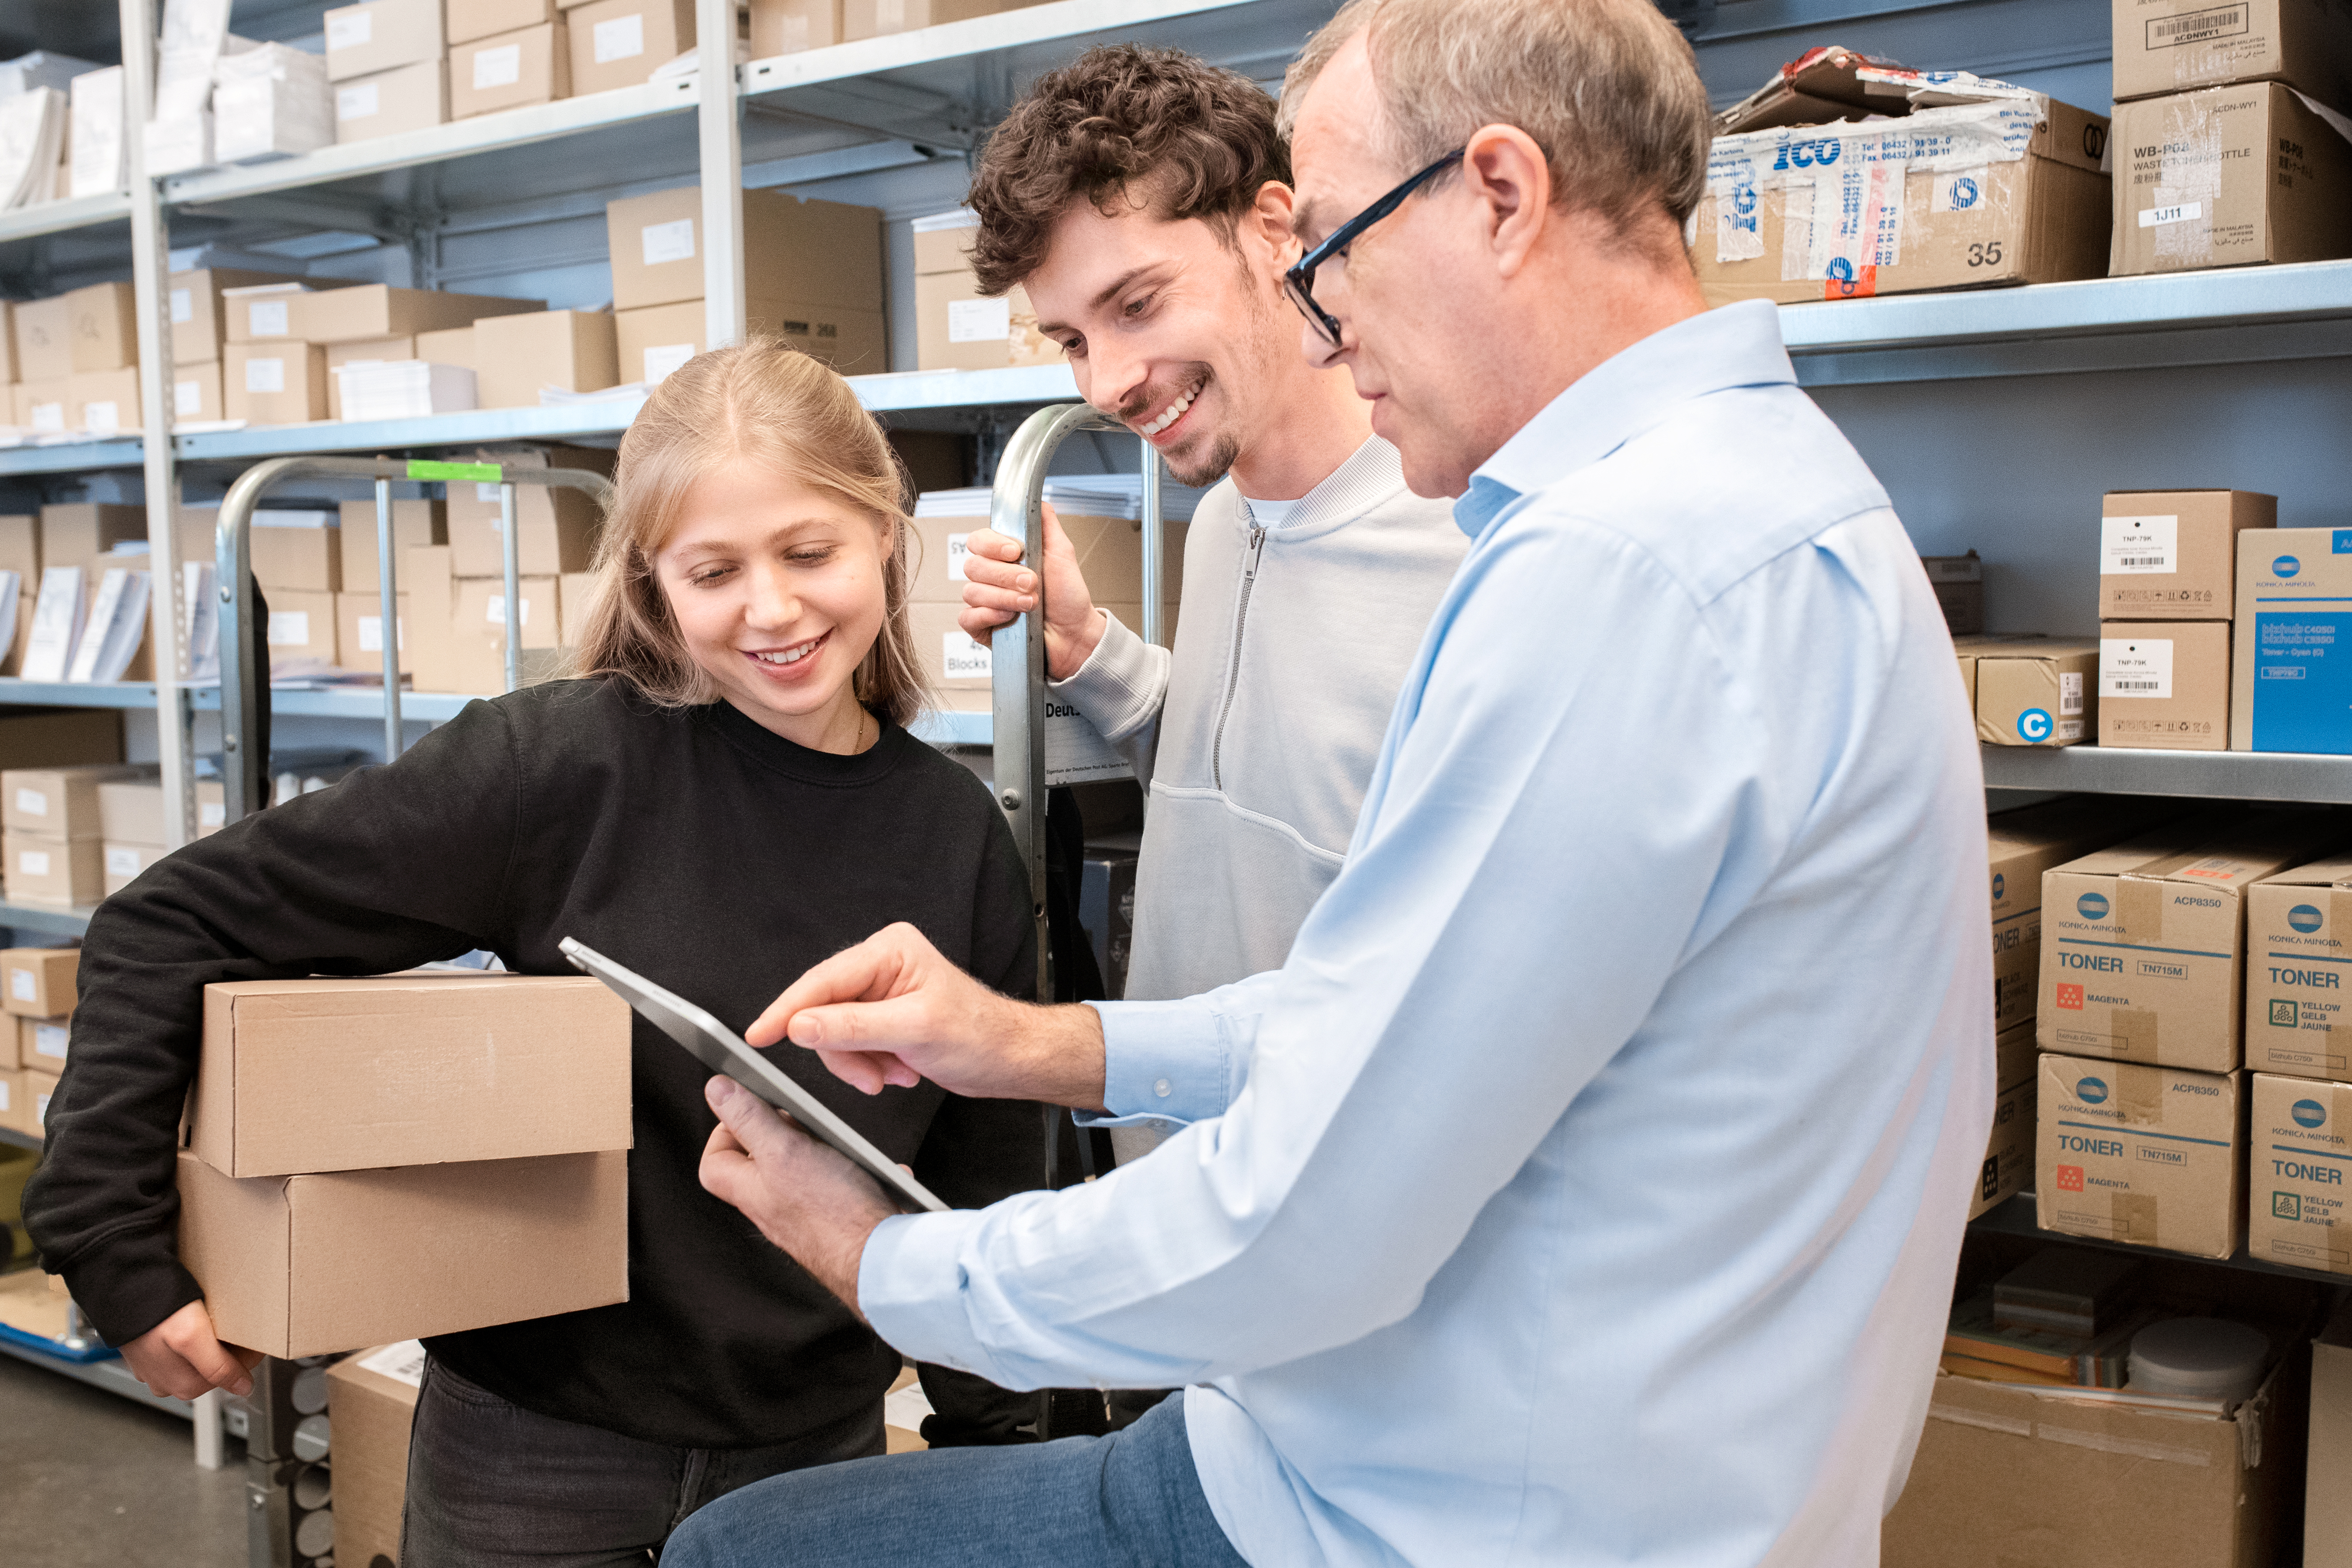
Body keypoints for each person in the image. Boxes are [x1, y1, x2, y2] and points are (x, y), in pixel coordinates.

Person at [662, 0, 1995, 1564]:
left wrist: (883, 1260)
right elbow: (1400, 1012)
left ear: (1499, 195)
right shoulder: (1760, 500)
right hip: (1483, 1453)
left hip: (1439, 1508)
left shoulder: (1612, 574)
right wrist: (1036, 1046)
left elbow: (1315, 1210)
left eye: (1337, 245)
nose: (1325, 308)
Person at [23, 343, 1049, 1565]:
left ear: (884, 531)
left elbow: (987, 1177)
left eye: (809, 552)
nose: (772, 609)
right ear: (653, 580)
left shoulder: (953, 833)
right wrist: (109, 1235)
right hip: (533, 1458)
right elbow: (171, 919)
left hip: (818, 1455)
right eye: (714, 571)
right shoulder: (558, 771)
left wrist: (1007, 1462)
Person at [953, 46, 1466, 1098]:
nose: (1108, 384)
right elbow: (1249, 789)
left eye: (1137, 304)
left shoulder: (1461, 544)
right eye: (1072, 340)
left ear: (1276, 231)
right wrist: (1090, 654)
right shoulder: (1226, 515)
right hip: (1171, 1150)